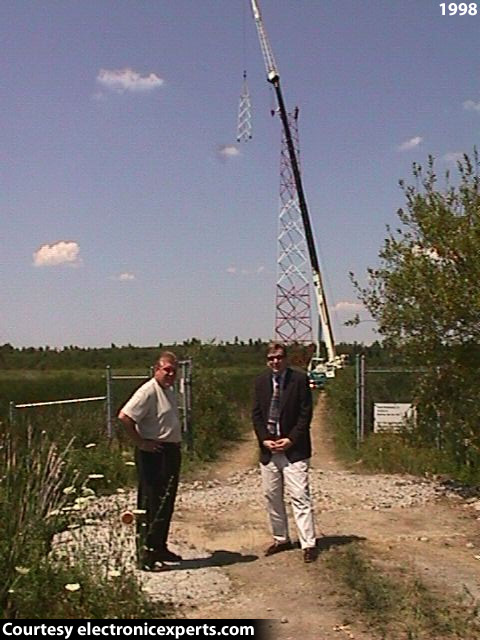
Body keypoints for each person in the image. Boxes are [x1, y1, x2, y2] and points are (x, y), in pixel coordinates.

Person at [252, 341, 317, 563]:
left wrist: (290, 440)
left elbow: (305, 415)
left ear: (285, 358)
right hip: (269, 450)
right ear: (267, 360)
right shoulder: (261, 382)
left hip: (294, 450)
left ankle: (308, 543)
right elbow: (257, 415)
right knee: (272, 496)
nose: (275, 361)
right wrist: (265, 440)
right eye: (271, 358)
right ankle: (281, 539)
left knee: (299, 496)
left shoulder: (299, 380)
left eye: (279, 357)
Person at [118, 351, 182, 570]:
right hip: (153, 452)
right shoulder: (148, 391)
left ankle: (159, 546)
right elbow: (125, 417)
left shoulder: (169, 391)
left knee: (166, 501)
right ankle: (146, 555)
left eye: (174, 370)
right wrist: (140, 443)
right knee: (150, 502)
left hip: (170, 451)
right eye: (166, 370)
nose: (170, 374)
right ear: (157, 369)